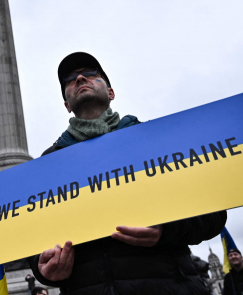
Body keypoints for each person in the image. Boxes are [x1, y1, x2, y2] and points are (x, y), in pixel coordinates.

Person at [30, 52, 228, 294]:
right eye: (70, 80)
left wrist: (166, 229)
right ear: (66, 105)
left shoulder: (156, 139)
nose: (80, 78)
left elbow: (213, 213)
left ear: (111, 92)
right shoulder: (49, 162)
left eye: (91, 74)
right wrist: (44, 270)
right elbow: (33, 236)